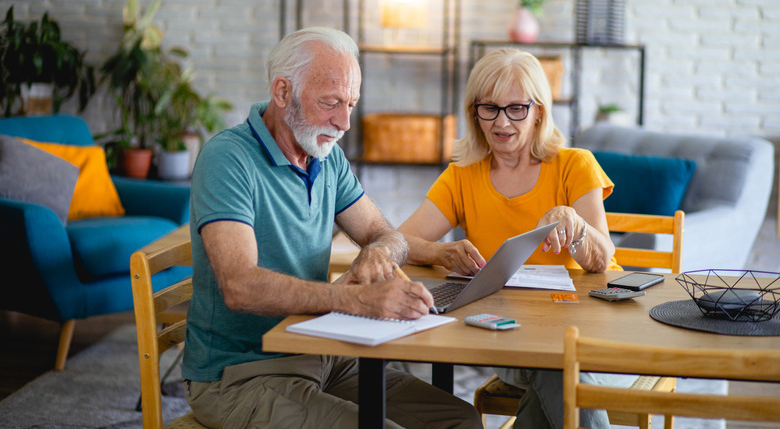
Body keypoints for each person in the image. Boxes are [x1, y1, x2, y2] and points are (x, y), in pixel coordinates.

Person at [182, 27, 482, 429]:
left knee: (458, 419)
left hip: (319, 353)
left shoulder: (326, 156)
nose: (343, 122)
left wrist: (379, 251)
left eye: (351, 104)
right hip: (242, 375)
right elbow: (240, 286)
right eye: (330, 103)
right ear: (283, 92)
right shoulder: (227, 160)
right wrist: (360, 300)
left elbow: (383, 232)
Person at [398, 49, 634, 429]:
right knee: (556, 367)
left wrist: (574, 224)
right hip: (512, 337)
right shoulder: (463, 176)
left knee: (558, 370)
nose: (501, 121)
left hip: (593, 330)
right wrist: (442, 252)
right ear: (474, 111)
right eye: (488, 107)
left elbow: (601, 260)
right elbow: (399, 242)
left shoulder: (574, 164)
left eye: (516, 108)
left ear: (539, 110)